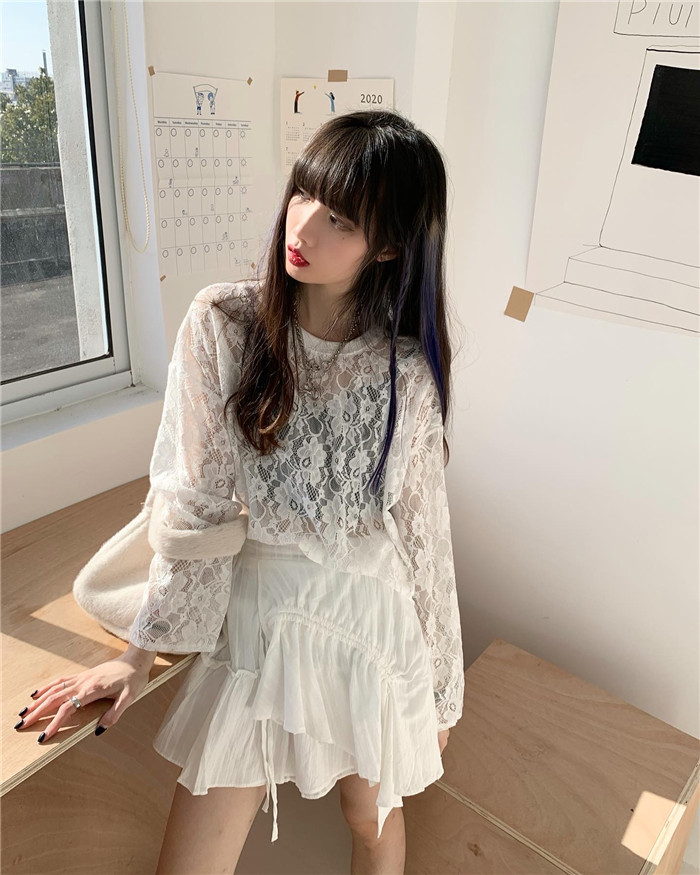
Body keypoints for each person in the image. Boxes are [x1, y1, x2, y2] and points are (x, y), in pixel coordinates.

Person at [14, 109, 465, 875]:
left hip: (369, 618)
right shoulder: (223, 322)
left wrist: (443, 695)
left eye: (340, 219)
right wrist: (137, 655)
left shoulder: (406, 372)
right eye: (303, 194)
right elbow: (198, 504)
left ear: (388, 246)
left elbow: (425, 539)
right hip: (259, 616)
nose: (303, 225)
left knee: (370, 817)